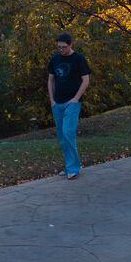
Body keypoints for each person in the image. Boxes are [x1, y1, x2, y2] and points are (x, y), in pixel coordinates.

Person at [47, 32, 91, 180]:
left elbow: (85, 80)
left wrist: (76, 99)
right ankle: (68, 166)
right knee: (61, 136)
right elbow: (50, 80)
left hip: (72, 103)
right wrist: (52, 100)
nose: (61, 50)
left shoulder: (79, 59)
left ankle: (74, 167)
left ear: (71, 44)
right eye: (59, 47)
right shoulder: (54, 59)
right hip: (57, 103)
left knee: (68, 132)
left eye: (64, 47)